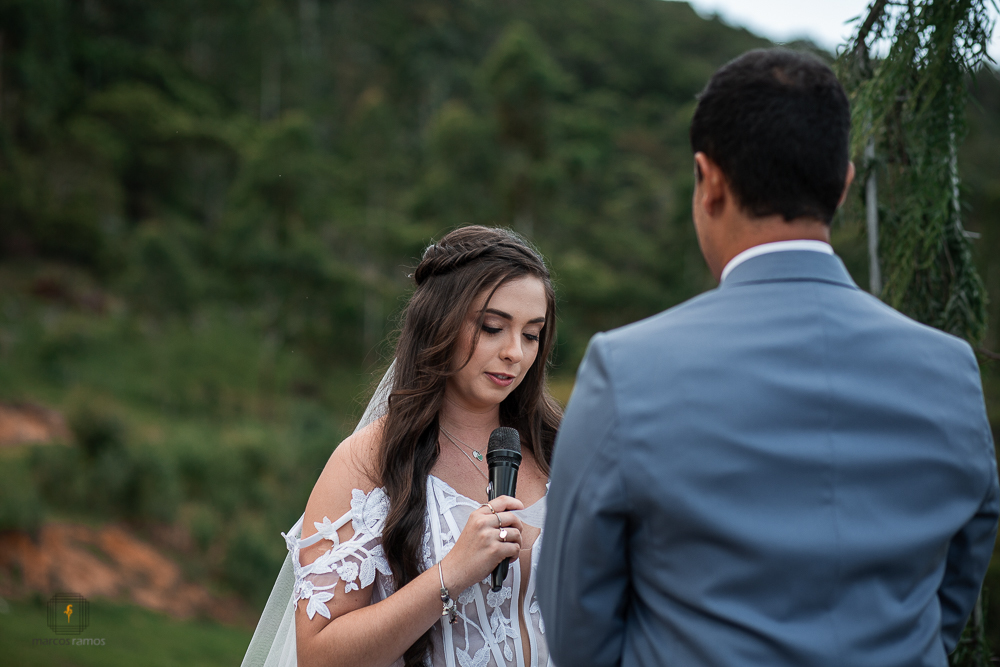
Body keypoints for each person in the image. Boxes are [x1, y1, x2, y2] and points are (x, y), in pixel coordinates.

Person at [537, 48, 999, 667]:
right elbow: (955, 586)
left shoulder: (625, 370)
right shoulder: (951, 371)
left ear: (709, 181)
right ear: (843, 185)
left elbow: (576, 630)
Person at [241, 225, 561, 667]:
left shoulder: (561, 451)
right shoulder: (368, 460)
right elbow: (318, 655)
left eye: (531, 334)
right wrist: (452, 573)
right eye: (493, 327)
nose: (515, 353)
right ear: (440, 322)